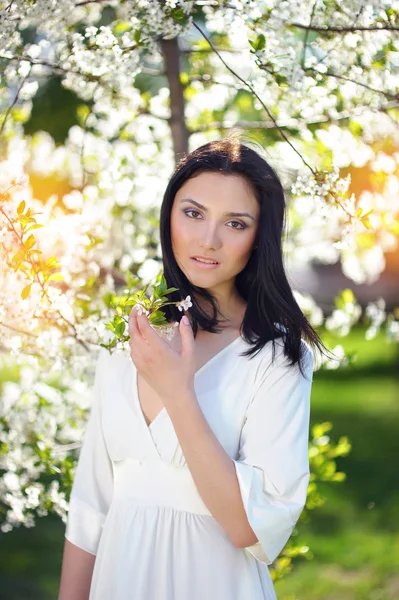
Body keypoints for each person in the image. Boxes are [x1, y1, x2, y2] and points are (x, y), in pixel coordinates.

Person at [58, 137, 327, 600]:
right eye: (193, 213)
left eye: (235, 223)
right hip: (119, 581)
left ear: (258, 237)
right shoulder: (131, 335)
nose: (209, 240)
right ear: (169, 216)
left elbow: (249, 529)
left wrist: (178, 393)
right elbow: (90, 506)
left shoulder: (278, 357)